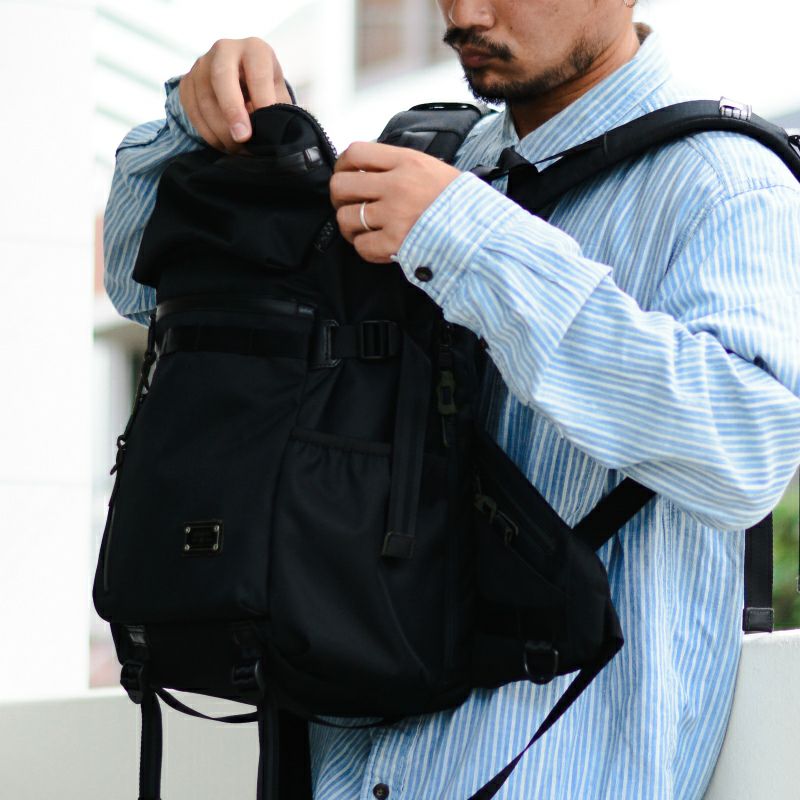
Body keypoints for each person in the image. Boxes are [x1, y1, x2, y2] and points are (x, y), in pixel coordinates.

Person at [103, 1, 800, 797]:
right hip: (341, 765)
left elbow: (748, 449)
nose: (464, 12)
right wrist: (201, 128)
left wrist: (468, 239)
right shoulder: (426, 157)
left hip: (546, 768)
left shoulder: (725, 181)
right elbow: (141, 289)